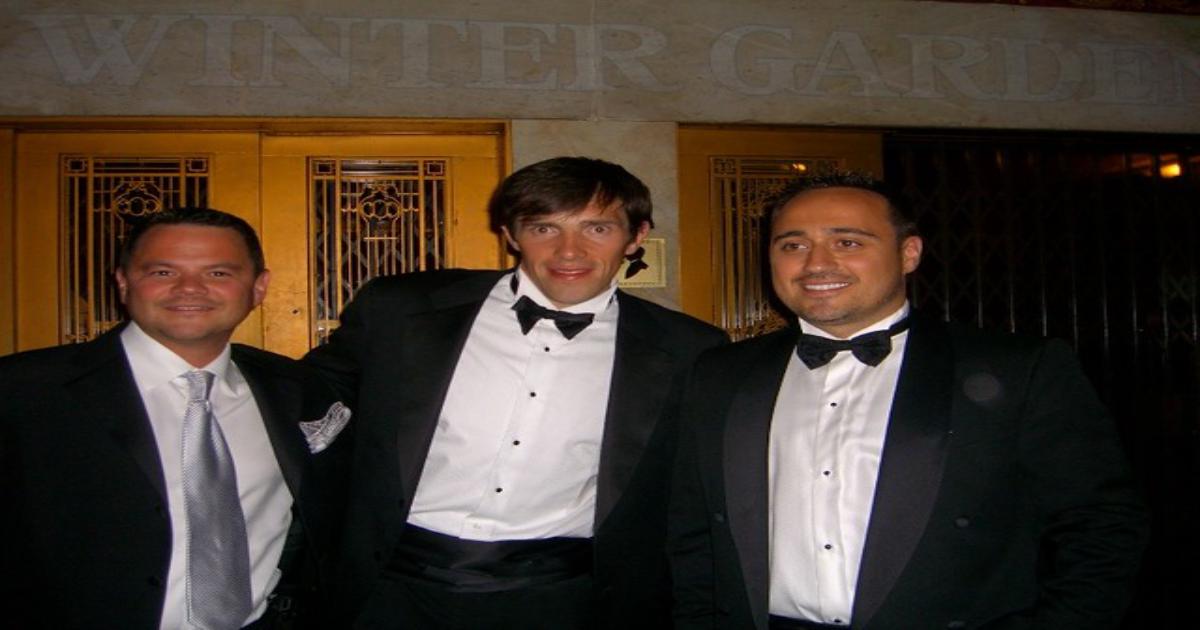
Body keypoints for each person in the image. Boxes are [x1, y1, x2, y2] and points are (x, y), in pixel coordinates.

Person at [668, 172, 1148, 629]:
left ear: (909, 253)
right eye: (793, 245)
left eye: (848, 242)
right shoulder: (722, 374)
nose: (815, 263)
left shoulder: (1019, 369)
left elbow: (1101, 525)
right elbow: (693, 530)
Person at [303, 156, 727, 629]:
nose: (569, 251)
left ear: (636, 237)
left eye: (597, 229)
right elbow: (306, 400)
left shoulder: (688, 349)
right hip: (386, 590)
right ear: (510, 234)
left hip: (564, 601)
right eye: (544, 228)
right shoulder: (402, 308)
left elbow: (693, 496)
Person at [1, 208, 350, 629]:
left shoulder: (296, 390)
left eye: (218, 273)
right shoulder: (24, 391)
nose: (189, 288)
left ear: (259, 287)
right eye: (163, 272)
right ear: (123, 282)